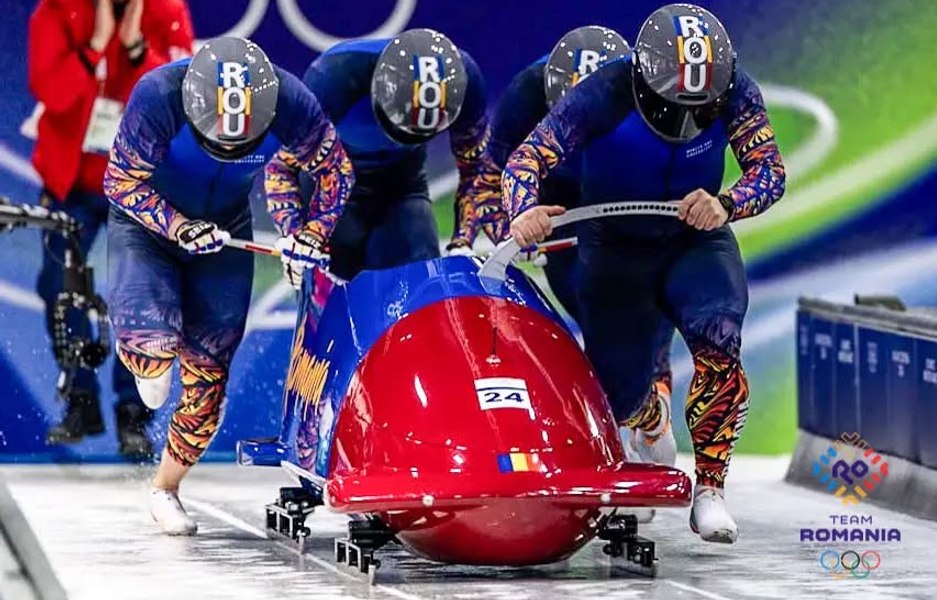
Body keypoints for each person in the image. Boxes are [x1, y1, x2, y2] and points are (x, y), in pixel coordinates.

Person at [502, 4, 786, 543]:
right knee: (621, 389)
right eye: (672, 107)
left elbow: (770, 171)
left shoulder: (736, 88)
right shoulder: (604, 90)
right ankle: (647, 416)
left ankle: (710, 488)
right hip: (615, 247)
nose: (685, 120)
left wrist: (728, 203)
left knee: (719, 332)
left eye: (700, 108)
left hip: (695, 237)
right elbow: (527, 159)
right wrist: (523, 211)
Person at [103, 37, 354, 535]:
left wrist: (309, 233)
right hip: (149, 229)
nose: (230, 148)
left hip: (224, 229)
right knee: (154, 356)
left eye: (243, 141)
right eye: (217, 139)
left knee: (208, 376)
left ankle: (165, 488)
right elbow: (120, 181)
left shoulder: (291, 100)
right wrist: (176, 227)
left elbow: (335, 171)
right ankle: (144, 354)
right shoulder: (157, 94)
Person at [479, 27, 678, 514]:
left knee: (638, 315)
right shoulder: (527, 95)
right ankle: (620, 426)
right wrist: (514, 217)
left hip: (625, 201)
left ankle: (646, 416)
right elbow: (492, 173)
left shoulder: (649, 89)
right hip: (561, 210)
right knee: (590, 313)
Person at [28, 0, 193, 457]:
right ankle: (81, 399)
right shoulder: (55, 11)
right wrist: (95, 47)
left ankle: (132, 413)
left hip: (140, 180)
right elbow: (54, 94)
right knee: (58, 286)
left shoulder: (166, 9)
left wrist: (136, 47)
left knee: (140, 291)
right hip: (72, 182)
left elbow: (179, 101)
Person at [302, 28, 500, 280]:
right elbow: (284, 165)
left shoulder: (463, 80)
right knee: (337, 284)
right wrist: (302, 234)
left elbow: (477, 170)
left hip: (402, 185)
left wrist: (462, 242)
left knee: (421, 281)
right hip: (328, 187)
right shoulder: (332, 76)